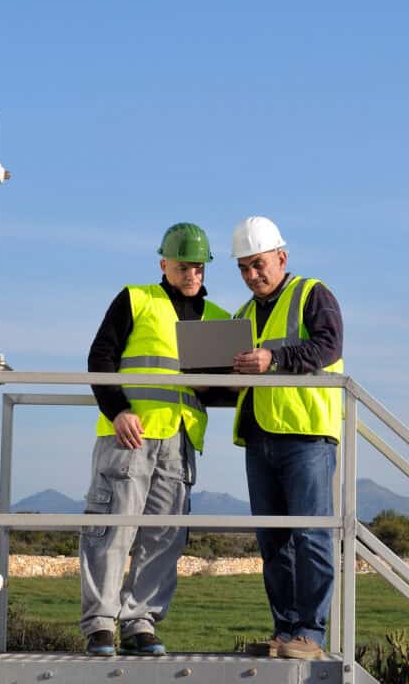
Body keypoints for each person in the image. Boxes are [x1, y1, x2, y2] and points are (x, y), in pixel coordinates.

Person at [80, 222, 230, 656]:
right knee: (112, 530)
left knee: (165, 535)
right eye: (184, 267)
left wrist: (212, 388)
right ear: (164, 263)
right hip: (130, 434)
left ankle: (140, 621)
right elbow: (100, 357)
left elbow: (228, 387)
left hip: (180, 441)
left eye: (199, 268)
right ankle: (101, 624)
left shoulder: (218, 318)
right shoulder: (135, 299)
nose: (192, 276)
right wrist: (117, 409)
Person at [229, 216, 344, 661]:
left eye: (258, 264)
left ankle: (311, 634)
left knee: (311, 535)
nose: (252, 275)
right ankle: (285, 630)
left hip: (307, 434)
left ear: (282, 257)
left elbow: (328, 346)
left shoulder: (312, 293)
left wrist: (272, 359)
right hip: (259, 436)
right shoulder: (241, 314)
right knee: (273, 542)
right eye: (243, 268)